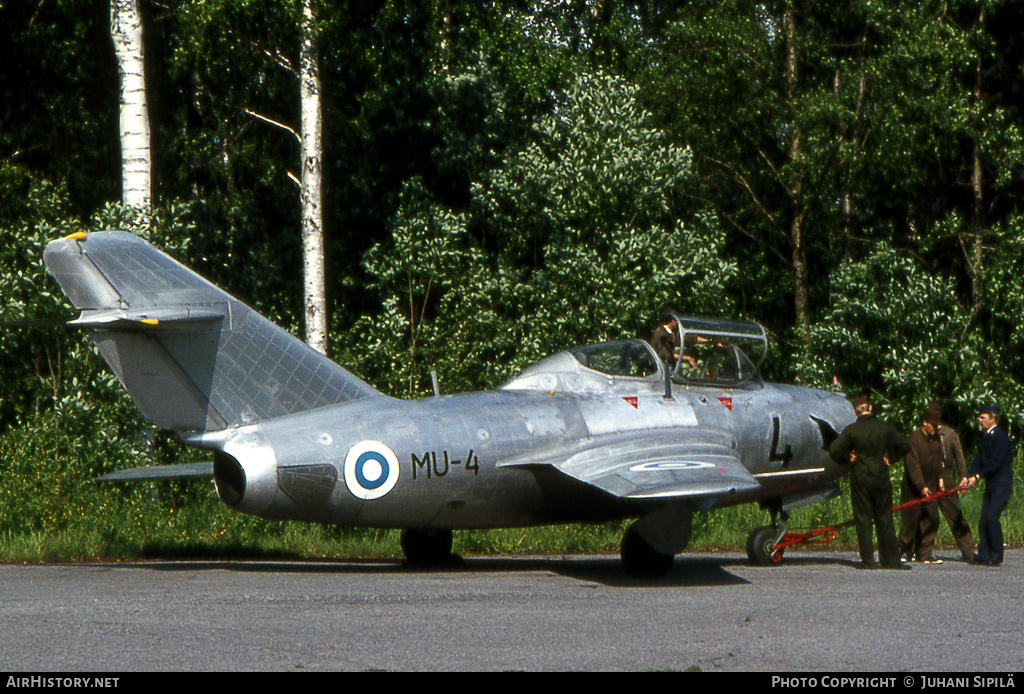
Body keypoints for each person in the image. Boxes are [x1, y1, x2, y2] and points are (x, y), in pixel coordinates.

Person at [830, 395, 911, 570]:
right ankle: (891, 560)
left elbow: (834, 450)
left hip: (860, 477)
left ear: (854, 411)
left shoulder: (852, 430)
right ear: (871, 408)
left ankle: (868, 561)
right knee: (885, 518)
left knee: (863, 519)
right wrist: (890, 456)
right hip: (881, 476)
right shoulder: (884, 427)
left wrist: (848, 459)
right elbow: (905, 446)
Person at [963, 405, 1014, 566]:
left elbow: (994, 463)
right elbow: (979, 459)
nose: (979, 420)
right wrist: (968, 475)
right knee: (984, 519)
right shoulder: (985, 437)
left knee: (992, 517)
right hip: (991, 483)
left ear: (993, 419)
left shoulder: (1001, 437)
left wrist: (977, 477)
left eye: (982, 417)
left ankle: (996, 554)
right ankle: (984, 554)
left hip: (1001, 482)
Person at [898, 405, 946, 564]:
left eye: (937, 425)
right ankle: (904, 550)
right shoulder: (914, 439)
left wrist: (940, 478)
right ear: (924, 422)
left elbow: (939, 460)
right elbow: (913, 466)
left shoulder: (936, 439)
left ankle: (924, 553)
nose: (935, 428)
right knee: (910, 519)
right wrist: (921, 486)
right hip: (913, 486)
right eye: (933, 425)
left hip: (931, 484)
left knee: (931, 518)